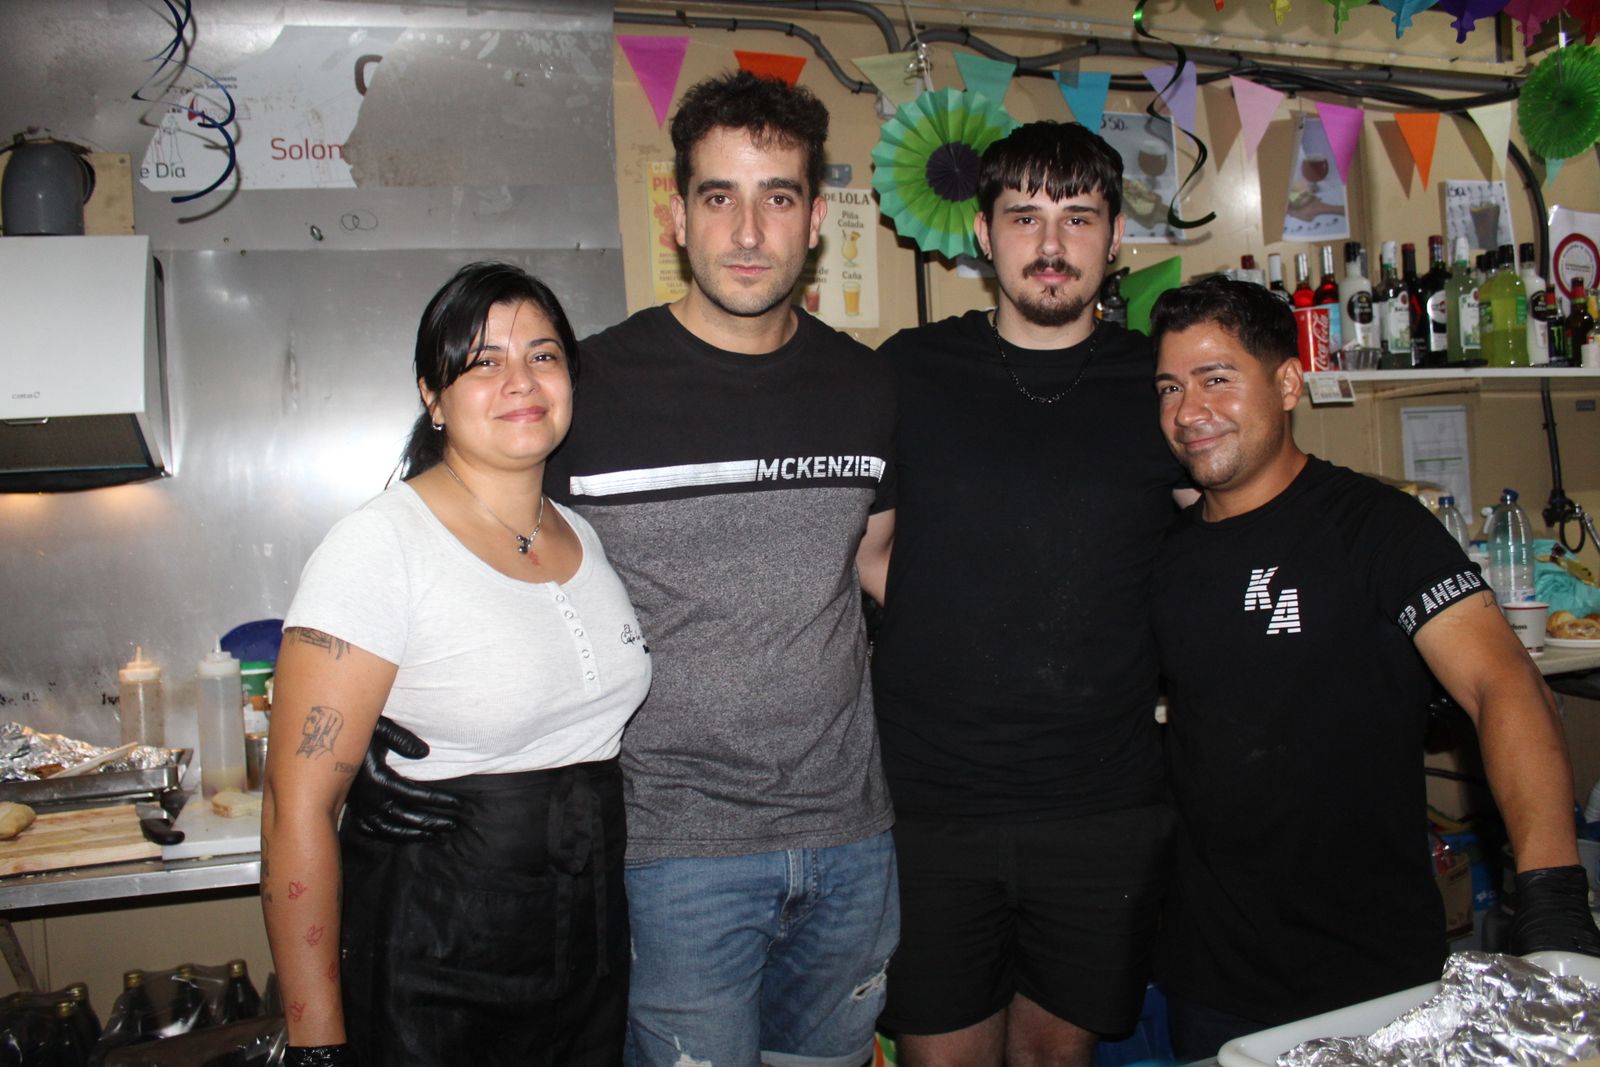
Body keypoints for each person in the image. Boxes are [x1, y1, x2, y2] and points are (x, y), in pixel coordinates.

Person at [349, 71, 899, 1067]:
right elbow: (445, 520)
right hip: (672, 852)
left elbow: (882, 559)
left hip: (854, 841)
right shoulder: (585, 385)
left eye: (776, 196)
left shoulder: (867, 387)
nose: (745, 231)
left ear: (816, 217)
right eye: (717, 197)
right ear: (677, 215)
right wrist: (382, 712)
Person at [1147, 275, 1600, 1060]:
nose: (1189, 411)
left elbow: (1504, 684)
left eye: (1218, 378)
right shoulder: (1169, 554)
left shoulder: (1375, 526)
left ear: (1288, 383)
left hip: (1371, 973)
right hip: (1212, 977)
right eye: (1170, 387)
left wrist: (1553, 896)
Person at [261, 262, 652, 1067]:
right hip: (435, 970)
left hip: (586, 962)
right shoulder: (380, 545)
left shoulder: (586, 537)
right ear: (432, 396)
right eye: (483, 361)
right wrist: (315, 1038)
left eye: (543, 355)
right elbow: (292, 807)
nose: (521, 380)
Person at [870, 121, 1188, 1067]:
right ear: (983, 232)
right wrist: (968, 609)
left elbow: (1224, 529)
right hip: (934, 808)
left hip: (1102, 808)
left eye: (1078, 218)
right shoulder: (910, 371)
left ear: (1116, 237)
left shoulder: (1158, 384)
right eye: (1026, 217)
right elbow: (869, 548)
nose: (1051, 246)